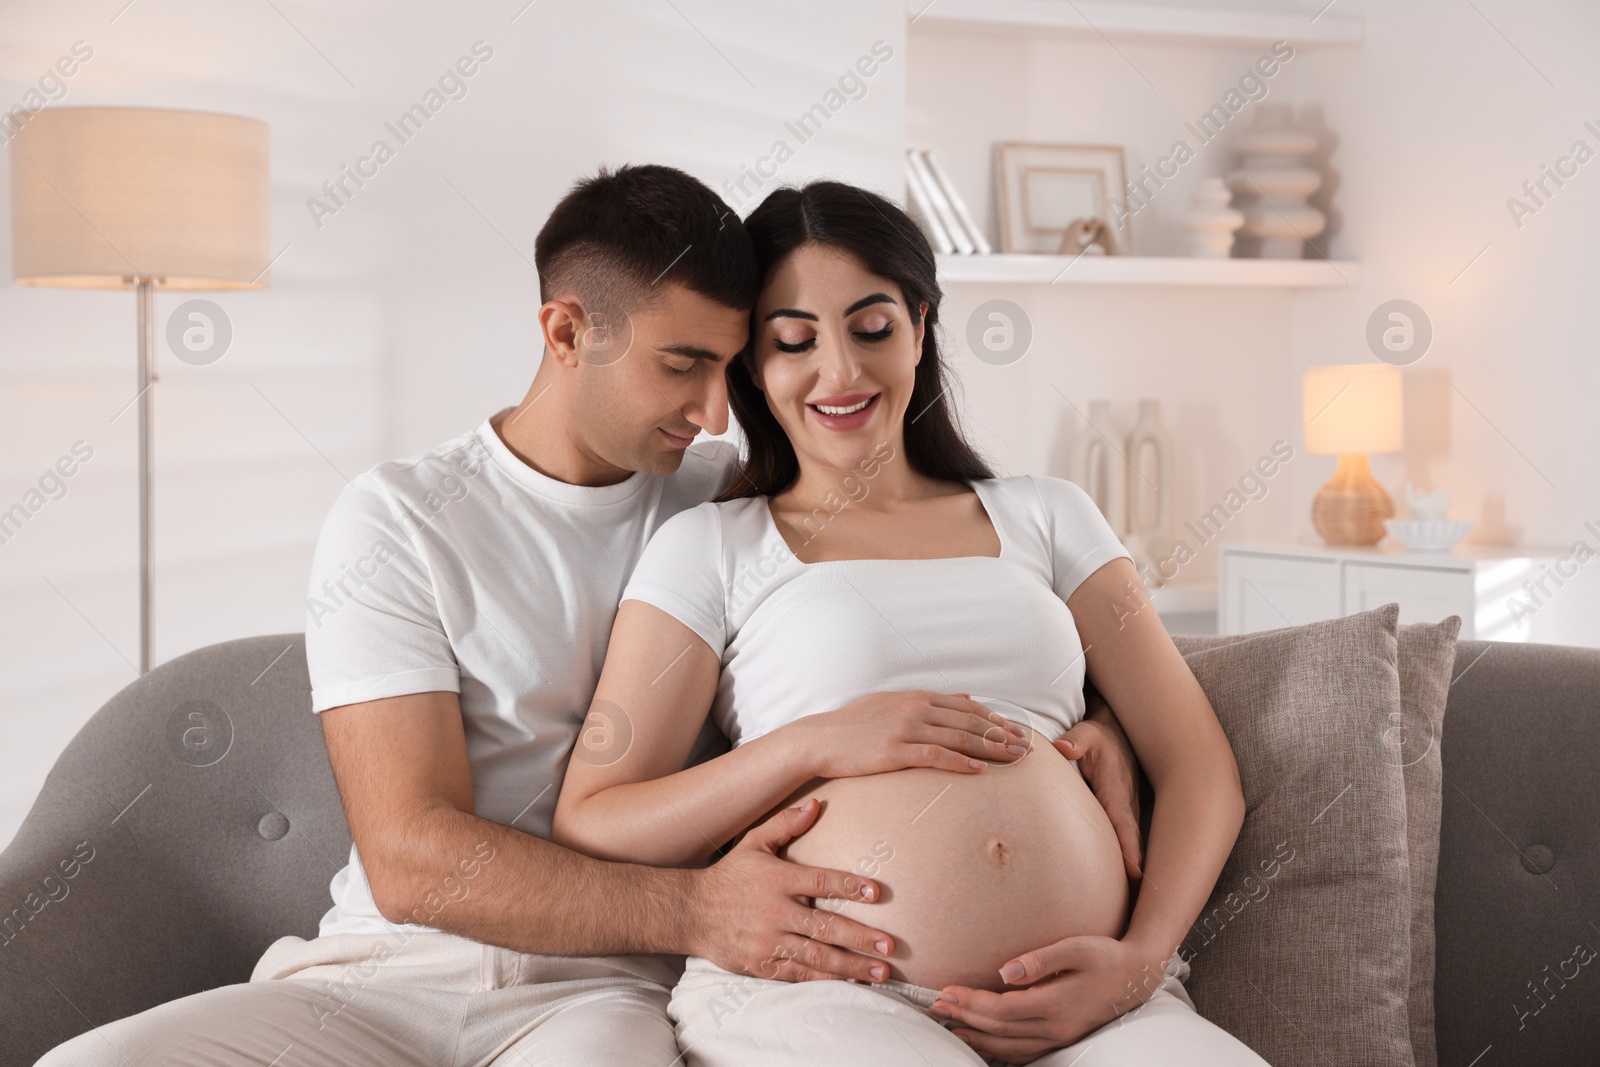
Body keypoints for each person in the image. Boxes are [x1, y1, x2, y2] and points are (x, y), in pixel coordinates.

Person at [36, 165, 1143, 1067]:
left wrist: (1095, 732)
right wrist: (699, 911)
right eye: (683, 366)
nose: (718, 409)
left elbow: (907, 597)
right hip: (385, 970)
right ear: (566, 332)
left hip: (603, 993)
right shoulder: (402, 518)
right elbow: (415, 856)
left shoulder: (727, 501)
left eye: (728, 364)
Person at [552, 181, 1272, 1066]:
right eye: (793, 341)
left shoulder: (1047, 515)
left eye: (872, 326)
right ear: (754, 369)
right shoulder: (711, 545)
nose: (841, 371)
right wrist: (814, 743)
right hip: (824, 996)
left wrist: (1137, 963)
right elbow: (594, 822)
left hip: (1093, 1005)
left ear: (921, 324)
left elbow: (1199, 767)